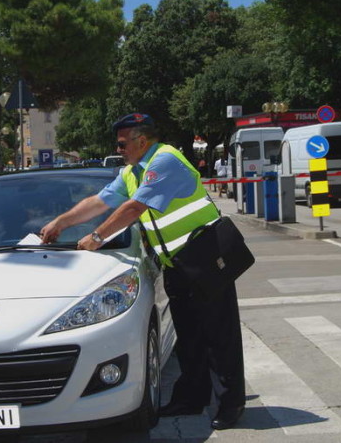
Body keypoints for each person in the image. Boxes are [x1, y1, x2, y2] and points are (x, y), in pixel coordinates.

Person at [40, 113, 246, 430]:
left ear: (142, 141)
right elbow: (100, 201)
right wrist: (61, 222)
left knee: (219, 336)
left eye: (122, 144)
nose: (119, 149)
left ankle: (231, 404)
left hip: (204, 256)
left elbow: (134, 208)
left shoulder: (164, 160)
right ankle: (192, 397)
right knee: (189, 338)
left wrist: (97, 237)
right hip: (177, 264)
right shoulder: (132, 172)